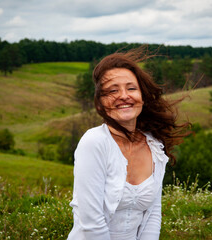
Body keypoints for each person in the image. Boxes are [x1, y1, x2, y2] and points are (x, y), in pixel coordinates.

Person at [67, 47, 190, 240]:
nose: (124, 96)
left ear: (142, 96)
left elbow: (153, 214)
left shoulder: (154, 146)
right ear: (100, 103)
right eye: (112, 91)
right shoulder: (94, 142)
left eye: (131, 88)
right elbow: (90, 222)